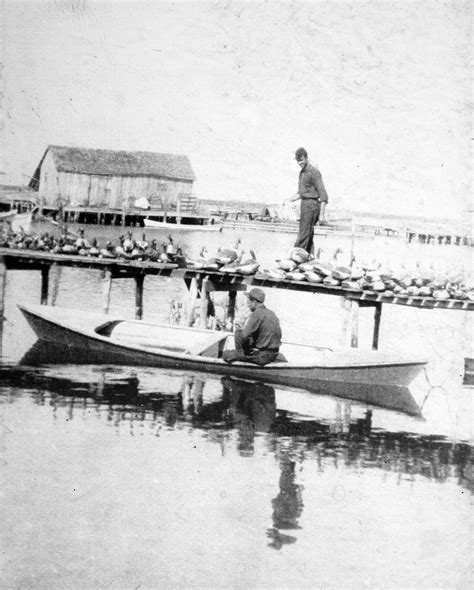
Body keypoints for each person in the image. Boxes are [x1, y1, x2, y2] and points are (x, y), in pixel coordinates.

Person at [283, 147, 329, 254]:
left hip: (312, 206)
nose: (300, 163)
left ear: (307, 158)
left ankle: (296, 255)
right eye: (298, 161)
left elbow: (323, 195)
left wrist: (322, 214)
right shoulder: (302, 173)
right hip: (304, 205)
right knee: (308, 234)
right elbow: (301, 193)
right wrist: (288, 200)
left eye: (302, 160)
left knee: (303, 234)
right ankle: (309, 257)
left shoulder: (314, 172)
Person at [223, 288, 282, 366]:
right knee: (238, 333)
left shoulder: (257, 314)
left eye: (249, 302)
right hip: (274, 353)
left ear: (254, 302)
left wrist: (248, 351)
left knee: (226, 354)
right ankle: (242, 356)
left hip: (263, 356)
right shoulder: (271, 313)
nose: (248, 304)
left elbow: (244, 336)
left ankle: (242, 361)